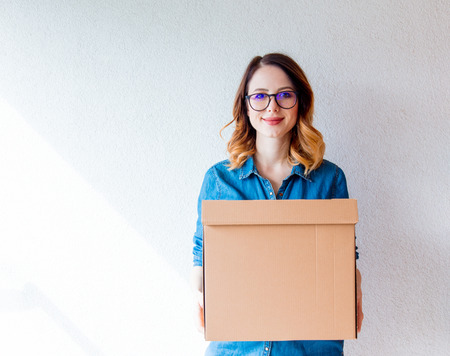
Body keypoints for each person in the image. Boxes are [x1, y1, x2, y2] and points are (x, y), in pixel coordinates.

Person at [190, 53, 363, 355]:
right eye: (260, 96)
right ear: (245, 105)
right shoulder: (219, 180)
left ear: (300, 103)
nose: (272, 106)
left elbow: (344, 259)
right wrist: (202, 295)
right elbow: (201, 256)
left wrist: (355, 290)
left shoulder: (329, 179)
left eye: (284, 95)